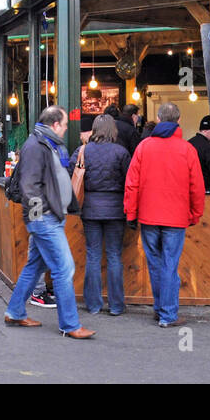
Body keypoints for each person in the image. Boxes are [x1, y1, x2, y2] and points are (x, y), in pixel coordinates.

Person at [2, 106, 94, 339]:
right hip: (45, 218)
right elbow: (29, 186)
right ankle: (70, 325)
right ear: (55, 125)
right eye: (63, 125)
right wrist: (39, 219)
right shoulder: (37, 146)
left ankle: (14, 312)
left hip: (48, 217)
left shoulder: (45, 144)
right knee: (64, 268)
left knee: (34, 266)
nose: (65, 130)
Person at [124, 102, 205, 328]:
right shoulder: (188, 150)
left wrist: (131, 213)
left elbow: (132, 184)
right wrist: (195, 213)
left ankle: (161, 309)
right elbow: (196, 187)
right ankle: (168, 314)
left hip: (149, 216)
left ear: (158, 120)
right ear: (178, 121)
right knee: (170, 265)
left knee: (155, 264)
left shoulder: (143, 147)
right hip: (176, 218)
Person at [80, 114, 133, 316]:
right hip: (115, 209)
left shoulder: (83, 151)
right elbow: (129, 182)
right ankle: (117, 305)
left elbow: (72, 176)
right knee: (114, 256)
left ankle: (93, 305)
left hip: (90, 208)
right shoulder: (121, 152)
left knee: (92, 256)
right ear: (113, 130)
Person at [188, 115, 210, 191]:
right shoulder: (208, 147)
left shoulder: (188, 144)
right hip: (205, 189)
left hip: (190, 188)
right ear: (207, 131)